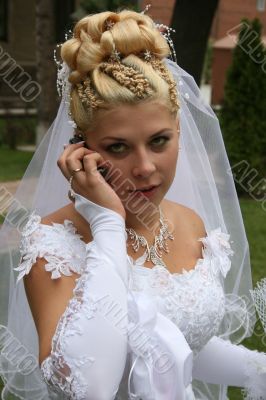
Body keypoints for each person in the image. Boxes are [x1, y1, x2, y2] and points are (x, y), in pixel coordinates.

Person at [0, 8, 266, 400]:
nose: (144, 168)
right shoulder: (54, 246)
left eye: (159, 141)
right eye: (118, 147)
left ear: (179, 132)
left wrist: (257, 370)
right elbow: (90, 387)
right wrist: (107, 224)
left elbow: (181, 342)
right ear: (82, 150)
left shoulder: (190, 224)